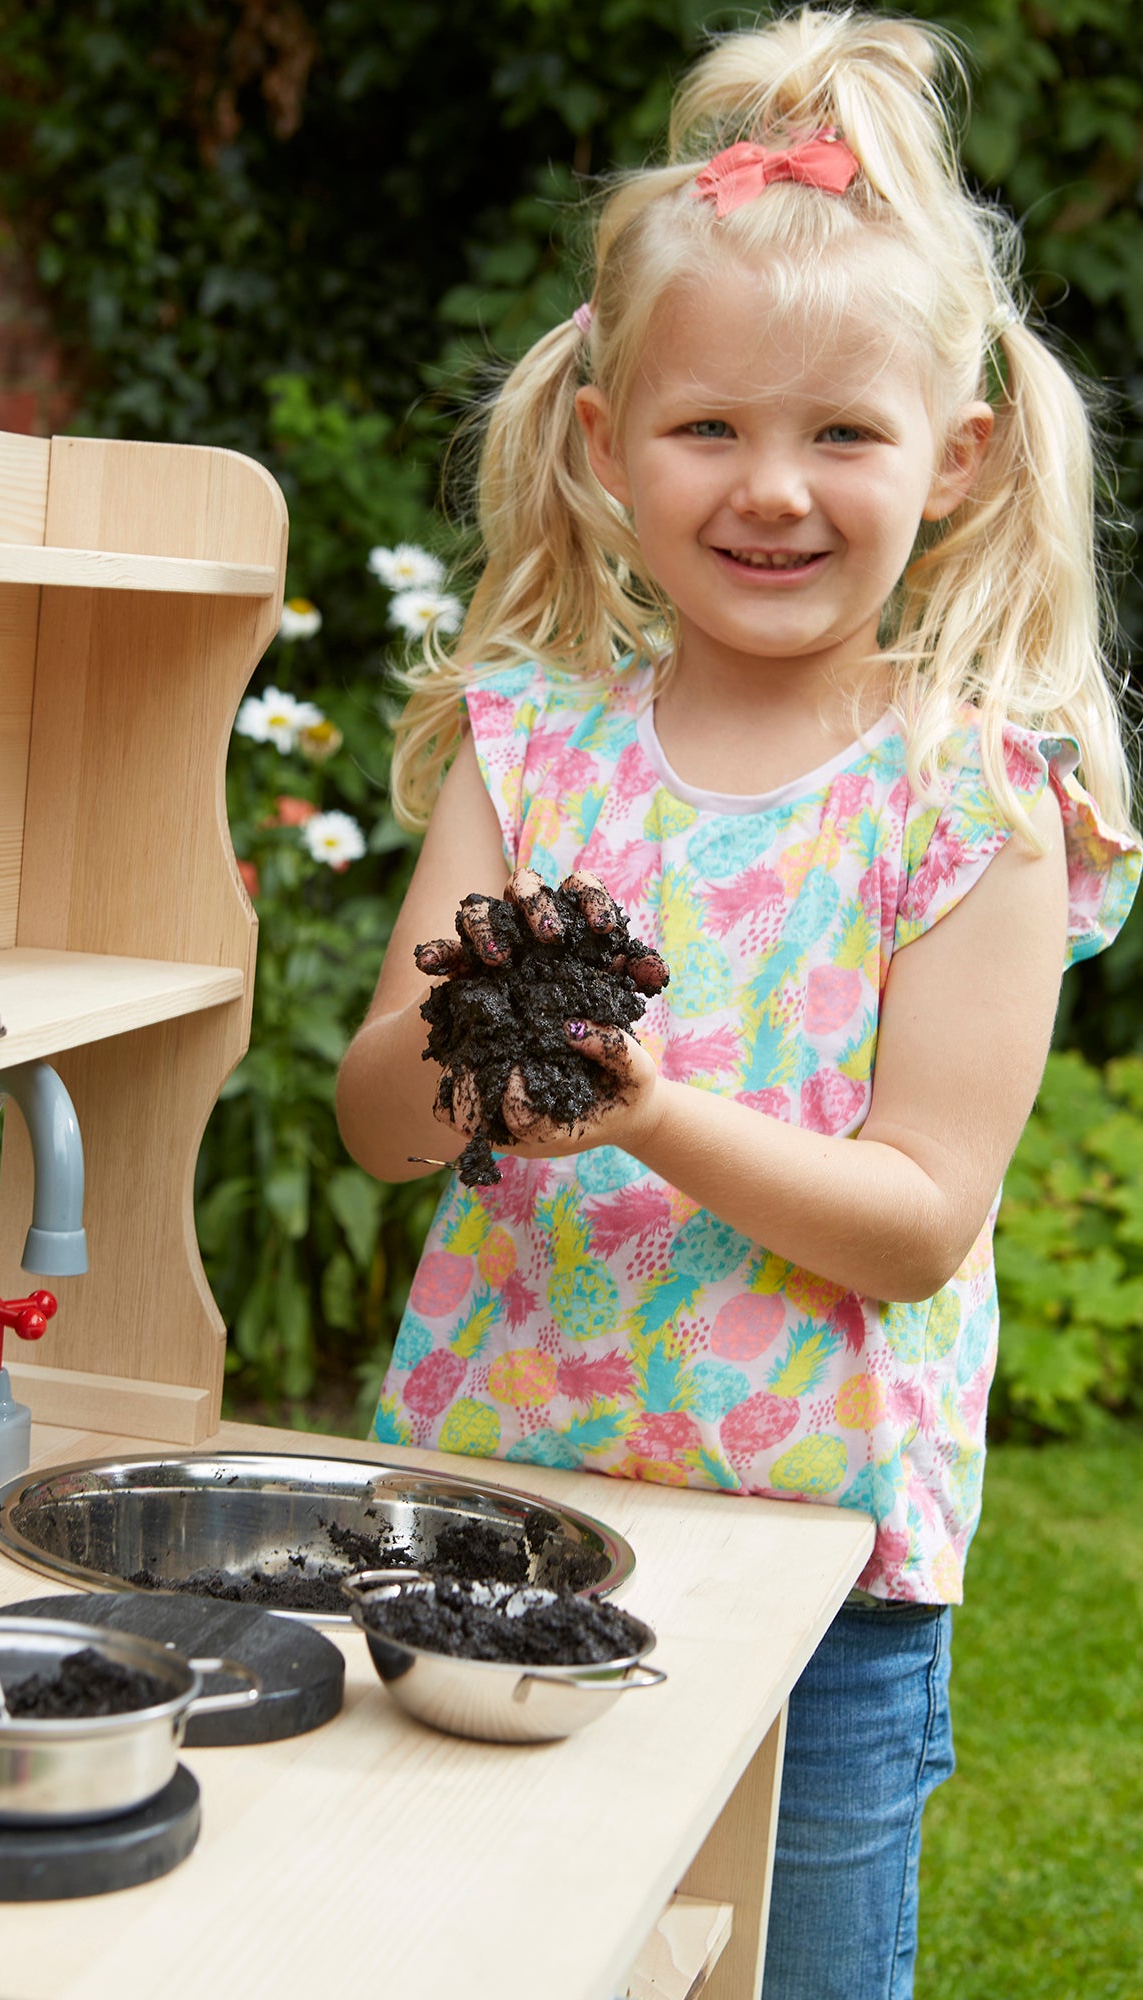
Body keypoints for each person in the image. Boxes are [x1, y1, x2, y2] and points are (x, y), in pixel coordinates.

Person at [334, 8, 1141, 1995]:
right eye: (708, 428)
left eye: (841, 433)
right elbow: (376, 1123)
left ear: (953, 457)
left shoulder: (972, 802)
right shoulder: (531, 751)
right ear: (606, 442)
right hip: (498, 1503)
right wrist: (475, 1054)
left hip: (816, 1566)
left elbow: (918, 1217)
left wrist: (644, 1112)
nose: (771, 489)